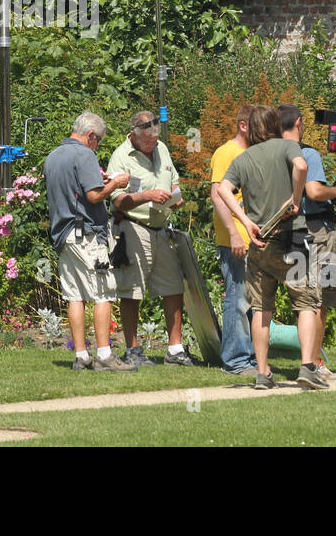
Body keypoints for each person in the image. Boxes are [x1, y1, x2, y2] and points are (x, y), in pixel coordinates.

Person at [212, 106, 323, 390]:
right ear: (275, 124)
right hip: (292, 238)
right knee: (306, 303)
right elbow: (301, 166)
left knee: (260, 308)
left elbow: (223, 189)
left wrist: (246, 221)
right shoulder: (287, 145)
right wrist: (294, 199)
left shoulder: (245, 157)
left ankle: (262, 373)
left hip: (260, 240)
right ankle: (308, 368)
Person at [43, 111, 137, 372]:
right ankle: (105, 355)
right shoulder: (84, 154)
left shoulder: (53, 156)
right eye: (99, 141)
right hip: (86, 235)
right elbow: (94, 196)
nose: (97, 146)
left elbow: (75, 189)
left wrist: (101, 181)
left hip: (63, 235)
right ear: (91, 136)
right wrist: (117, 182)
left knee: (75, 295)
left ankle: (81, 356)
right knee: (103, 292)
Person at [109, 110, 193, 366]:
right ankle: (132, 349)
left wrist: (175, 197)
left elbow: (174, 182)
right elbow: (117, 201)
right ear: (133, 135)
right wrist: (148, 196)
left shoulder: (162, 148)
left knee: (173, 287)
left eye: (155, 141)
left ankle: (175, 349)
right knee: (132, 291)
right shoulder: (121, 157)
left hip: (162, 227)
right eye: (148, 142)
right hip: (134, 228)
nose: (153, 145)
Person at [277, 105, 336, 381]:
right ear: (298, 122)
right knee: (318, 299)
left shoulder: (268, 152)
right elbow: (314, 191)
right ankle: (314, 363)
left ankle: (287, 363)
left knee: (299, 298)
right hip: (316, 231)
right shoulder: (307, 153)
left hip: (283, 232)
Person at [210, 105, 259, 376]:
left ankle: (250, 357)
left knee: (250, 301)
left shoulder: (249, 153)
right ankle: (236, 360)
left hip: (250, 237)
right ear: (242, 125)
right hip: (235, 240)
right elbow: (218, 195)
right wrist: (232, 233)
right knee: (238, 300)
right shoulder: (226, 152)